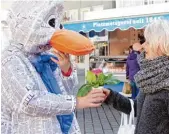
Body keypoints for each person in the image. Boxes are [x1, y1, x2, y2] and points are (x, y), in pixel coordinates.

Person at [1, 1, 105, 134]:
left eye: (58, 25)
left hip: (61, 127)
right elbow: (29, 102)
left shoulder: (46, 55)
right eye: (51, 24)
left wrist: (66, 70)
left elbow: (65, 91)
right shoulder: (9, 60)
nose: (57, 30)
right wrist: (76, 103)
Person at [103, 20, 169, 134]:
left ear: (161, 44)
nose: (143, 45)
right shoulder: (153, 76)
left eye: (147, 41)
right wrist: (111, 96)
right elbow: (138, 108)